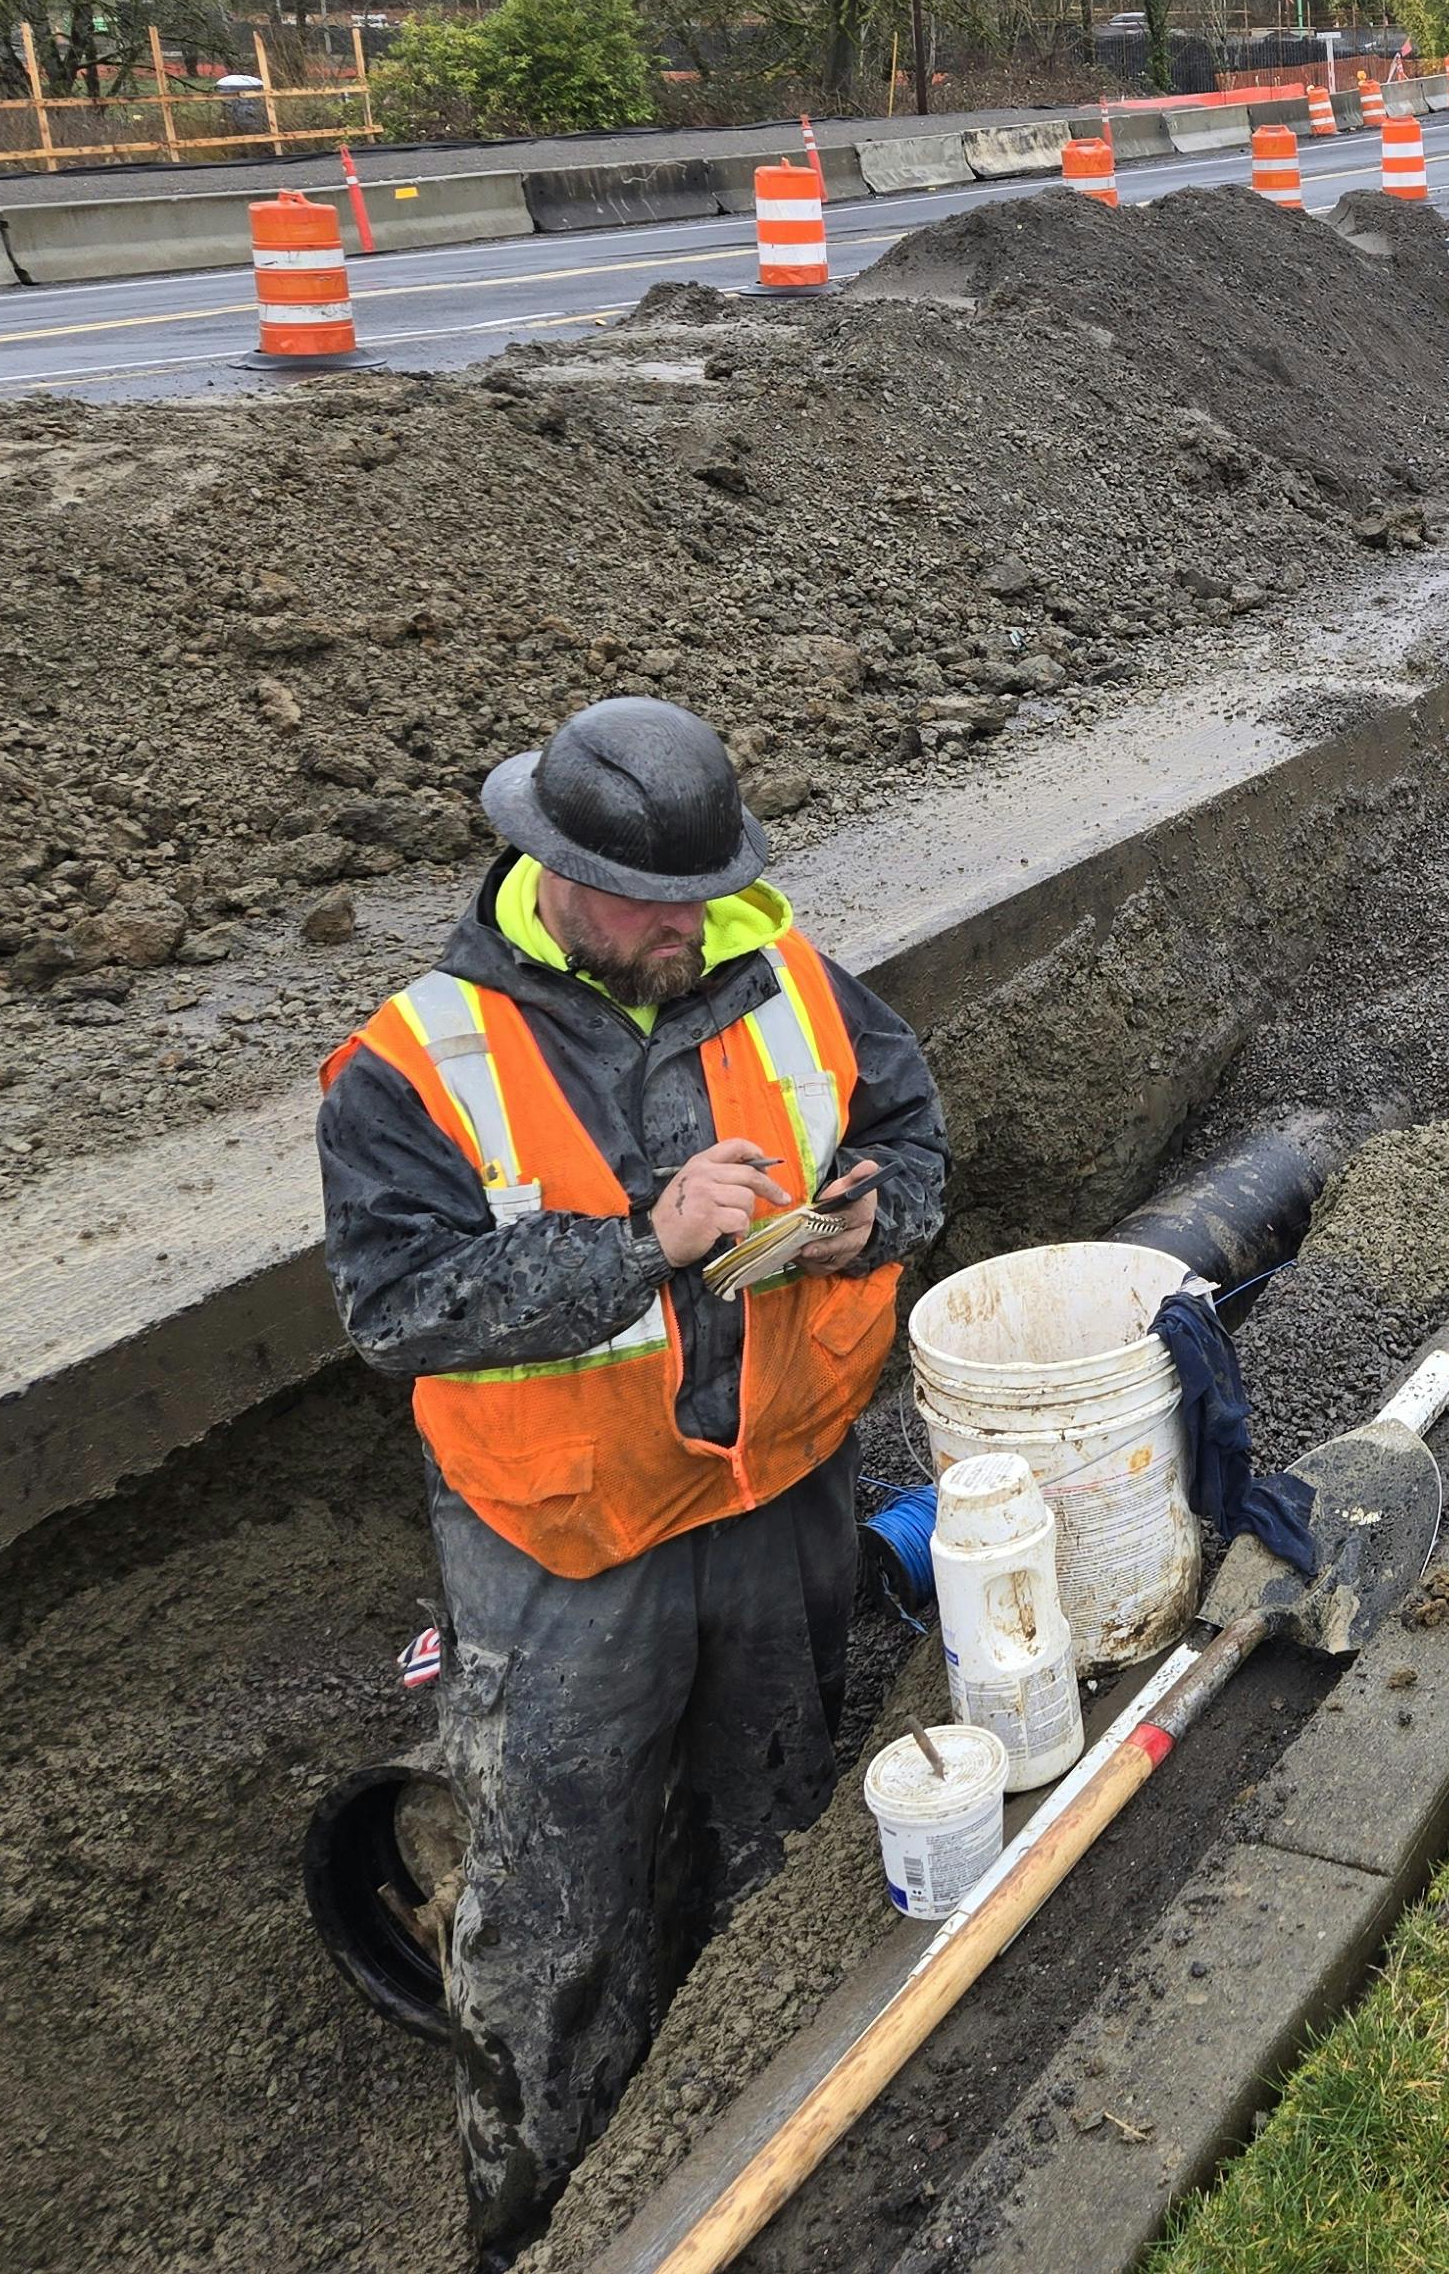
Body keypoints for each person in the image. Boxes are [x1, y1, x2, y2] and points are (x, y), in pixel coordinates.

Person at [317, 697, 948, 2268]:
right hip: (567, 1543)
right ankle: (545, 2209)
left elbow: (911, 1135)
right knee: (555, 1908)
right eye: (649, 904)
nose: (684, 926)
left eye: (702, 893)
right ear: (549, 867)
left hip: (782, 1496)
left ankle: (755, 2148)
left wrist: (878, 1212)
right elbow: (398, 1309)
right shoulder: (417, 1064)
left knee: (776, 1834)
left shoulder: (791, 975)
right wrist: (643, 1248)